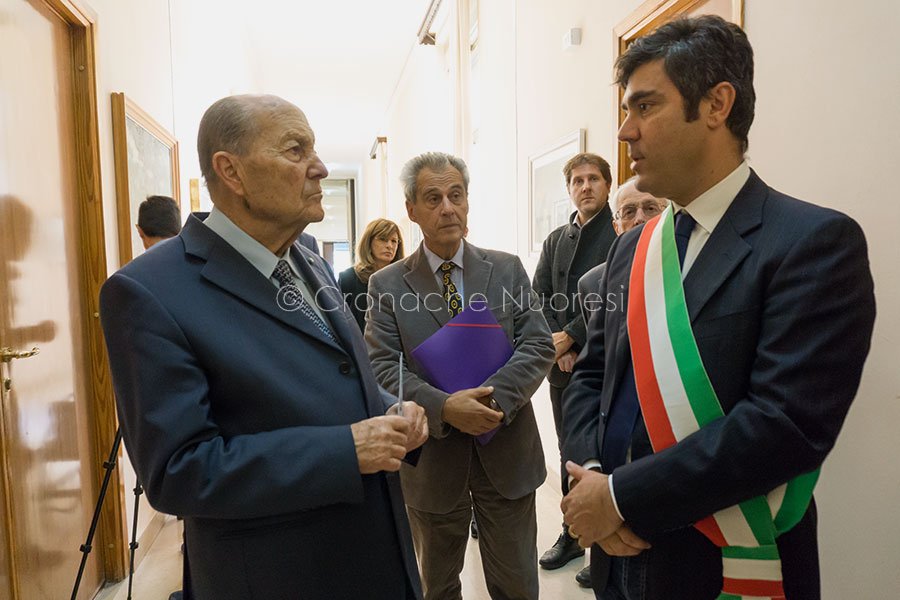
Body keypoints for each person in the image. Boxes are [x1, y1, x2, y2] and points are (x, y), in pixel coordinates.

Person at [560, 15, 875, 600]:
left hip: (719, 561)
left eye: (645, 106)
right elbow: (593, 374)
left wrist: (622, 498)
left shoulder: (813, 242)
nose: (625, 131)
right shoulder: (632, 247)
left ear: (716, 104)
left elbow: (785, 425)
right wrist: (591, 481)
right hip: (614, 554)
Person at [100, 94, 428, 600]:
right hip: (278, 574)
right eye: (296, 151)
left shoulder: (307, 257)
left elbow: (332, 371)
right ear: (231, 171)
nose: (319, 168)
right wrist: (344, 451)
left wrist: (389, 408)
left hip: (377, 556)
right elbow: (177, 471)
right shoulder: (148, 291)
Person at [366, 152, 554, 600]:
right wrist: (446, 408)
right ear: (411, 210)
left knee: (517, 585)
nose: (448, 208)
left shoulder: (506, 268)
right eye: (433, 198)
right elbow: (382, 367)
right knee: (437, 586)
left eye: (456, 195)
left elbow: (538, 344)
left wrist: (492, 401)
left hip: (507, 453)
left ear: (468, 202)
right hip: (433, 461)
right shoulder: (387, 285)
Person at [532, 152, 617, 584]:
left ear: (607, 185)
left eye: (593, 179)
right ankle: (571, 534)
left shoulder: (619, 233)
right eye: (578, 180)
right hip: (562, 367)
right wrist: (557, 342)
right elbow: (538, 295)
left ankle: (604, 547)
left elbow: (615, 295)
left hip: (607, 363)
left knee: (606, 453)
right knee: (570, 451)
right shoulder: (555, 240)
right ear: (568, 189)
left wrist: (572, 337)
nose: (585, 187)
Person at [578, 178, 668, 326]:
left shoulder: (689, 265)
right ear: (616, 227)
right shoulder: (591, 284)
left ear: (668, 217)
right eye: (629, 212)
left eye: (650, 209)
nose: (639, 219)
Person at [338, 218, 404, 331]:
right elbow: (339, 320)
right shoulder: (348, 278)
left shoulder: (403, 279)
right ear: (368, 242)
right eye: (383, 239)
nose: (389, 246)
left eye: (394, 241)